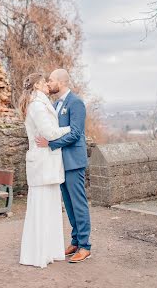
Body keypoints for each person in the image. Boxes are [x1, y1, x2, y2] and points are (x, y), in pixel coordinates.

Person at [35, 68, 91, 263]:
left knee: (79, 203)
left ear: (60, 81)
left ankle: (85, 246)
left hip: (74, 162)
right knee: (68, 204)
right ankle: (75, 241)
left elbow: (75, 133)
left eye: (50, 80)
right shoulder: (57, 103)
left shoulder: (76, 102)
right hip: (60, 162)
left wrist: (51, 144)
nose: (49, 84)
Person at [19, 72, 71, 268]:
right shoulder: (37, 106)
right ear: (38, 86)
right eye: (44, 82)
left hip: (45, 162)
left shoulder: (39, 103)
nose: (48, 84)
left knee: (48, 209)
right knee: (41, 209)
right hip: (43, 163)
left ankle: (48, 251)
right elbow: (48, 133)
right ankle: (38, 254)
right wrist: (71, 129)